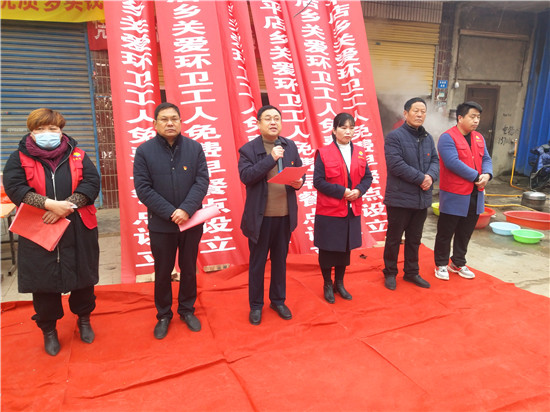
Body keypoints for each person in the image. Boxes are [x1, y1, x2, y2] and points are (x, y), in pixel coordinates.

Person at [2, 108, 100, 356]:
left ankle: (84, 319)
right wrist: (48, 205)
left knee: (83, 276)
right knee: (43, 281)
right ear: (31, 132)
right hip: (39, 227)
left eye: (53, 128)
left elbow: (92, 183)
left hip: (77, 225)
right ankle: (49, 330)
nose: (47, 133)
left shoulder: (78, 154)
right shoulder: (18, 157)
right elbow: (14, 187)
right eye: (41, 129)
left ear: (61, 130)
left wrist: (65, 207)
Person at [133, 102, 209, 339]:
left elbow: (201, 182)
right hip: (161, 224)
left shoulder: (195, 148)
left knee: (189, 268)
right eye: (164, 119)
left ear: (181, 122)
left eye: (174, 119)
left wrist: (185, 209)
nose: (169, 123)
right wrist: (170, 212)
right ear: (155, 124)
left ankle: (187, 309)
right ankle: (163, 314)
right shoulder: (144, 151)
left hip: (191, 221)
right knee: (163, 270)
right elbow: (143, 188)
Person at [238, 105, 304, 325]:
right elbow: (247, 177)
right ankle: (256, 305)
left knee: (279, 262)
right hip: (260, 219)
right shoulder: (248, 150)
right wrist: (271, 158)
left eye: (277, 118)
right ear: (258, 123)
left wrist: (299, 182)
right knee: (257, 263)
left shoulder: (289, 145)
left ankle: (278, 300)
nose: (273, 122)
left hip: (284, 216)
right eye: (268, 118)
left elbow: (298, 170)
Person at [313, 112, 373, 303]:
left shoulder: (360, 152)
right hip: (329, 210)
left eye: (351, 128)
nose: (348, 132)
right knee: (327, 249)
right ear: (334, 130)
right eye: (343, 127)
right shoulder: (324, 153)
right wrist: (342, 192)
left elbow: (367, 177)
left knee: (344, 250)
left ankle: (339, 283)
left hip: (351, 209)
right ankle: (327, 284)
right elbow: (318, 181)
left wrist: (359, 191)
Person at [382, 98, 439, 291]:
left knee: (415, 239)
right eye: (416, 111)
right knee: (394, 239)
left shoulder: (427, 137)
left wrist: (430, 176)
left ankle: (411, 272)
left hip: (421, 199)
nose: (420, 114)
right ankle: (390, 272)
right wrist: (421, 178)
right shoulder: (394, 137)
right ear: (405, 113)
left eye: (423, 111)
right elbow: (395, 165)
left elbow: (435, 161)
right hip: (399, 198)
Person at [434, 101, 492, 280]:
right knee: (446, 231)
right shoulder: (447, 138)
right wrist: (476, 176)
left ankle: (458, 262)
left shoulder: (479, 137)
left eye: (478, 117)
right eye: (472, 117)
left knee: (465, 231)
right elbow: (452, 163)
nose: (476, 121)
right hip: (454, 193)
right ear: (460, 118)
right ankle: (441, 264)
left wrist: (487, 175)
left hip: (475, 193)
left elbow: (486, 159)